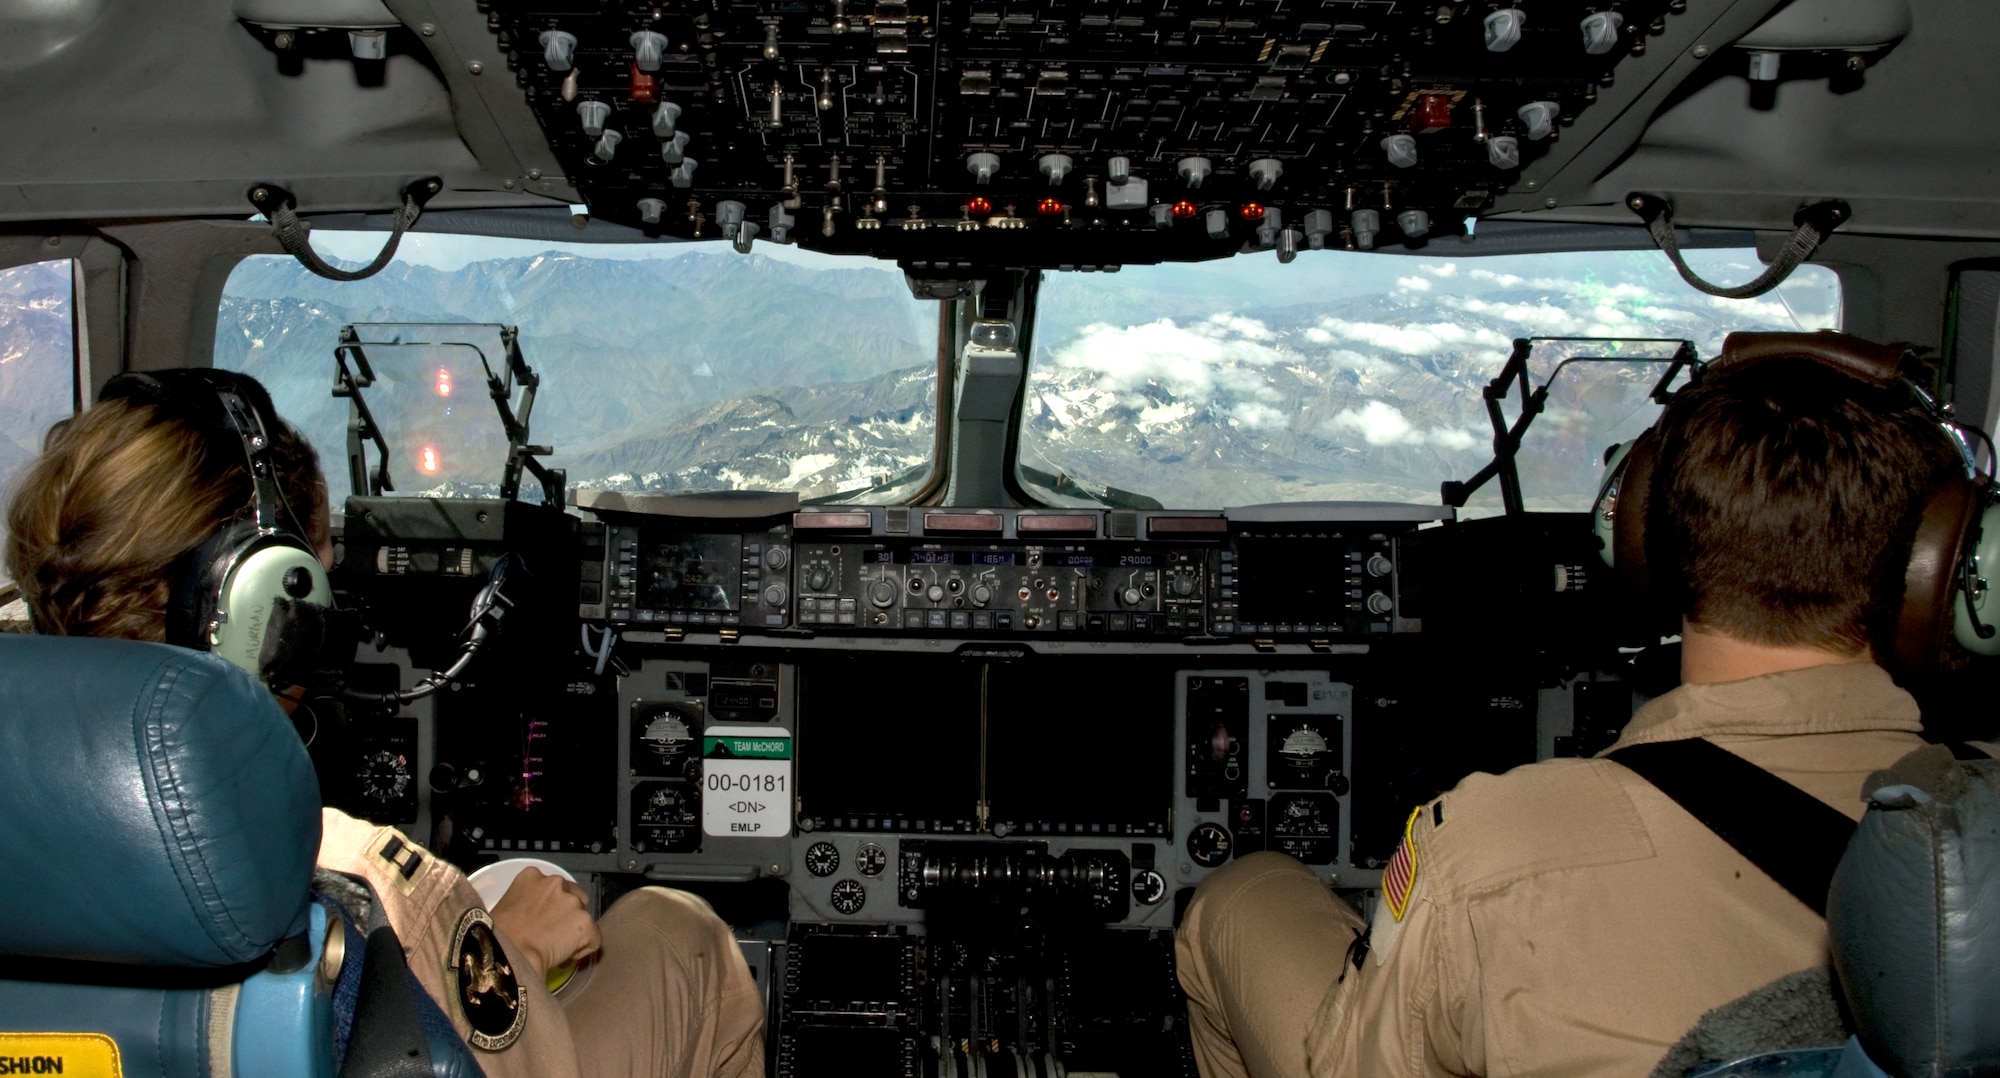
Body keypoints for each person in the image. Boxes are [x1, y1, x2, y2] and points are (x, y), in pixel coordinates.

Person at [1174, 337, 1967, 1077]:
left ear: (1637, 540)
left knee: (1237, 898)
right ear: (1944, 566)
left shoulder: (1495, 850)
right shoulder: (1985, 838)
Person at [3, 370, 765, 1078]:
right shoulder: (372, 883)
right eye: (321, 592)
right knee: (680, 931)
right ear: (264, 607)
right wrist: (518, 951)